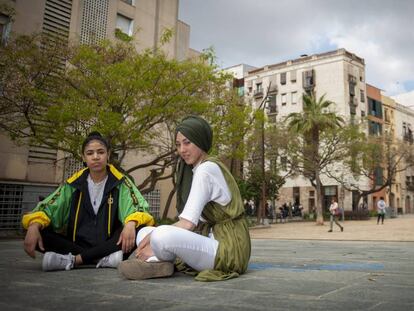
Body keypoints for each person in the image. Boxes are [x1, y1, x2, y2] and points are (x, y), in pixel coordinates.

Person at [118, 115, 251, 281]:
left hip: (229, 249)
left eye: (187, 142)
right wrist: (151, 237)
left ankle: (157, 260)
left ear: (200, 141)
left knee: (160, 235)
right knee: (144, 231)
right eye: (178, 144)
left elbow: (187, 224)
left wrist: (153, 239)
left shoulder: (206, 169)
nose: (182, 150)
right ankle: (159, 262)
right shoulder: (197, 169)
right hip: (208, 238)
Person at [22, 132, 154, 271]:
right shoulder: (73, 184)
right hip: (79, 245)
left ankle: (75, 260)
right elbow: (49, 207)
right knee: (33, 231)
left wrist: (131, 223)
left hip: (110, 245)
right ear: (83, 157)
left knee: (140, 228)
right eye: (90, 153)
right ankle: (101, 260)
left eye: (101, 152)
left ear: (108, 155)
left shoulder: (121, 182)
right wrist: (34, 226)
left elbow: (138, 208)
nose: (96, 157)